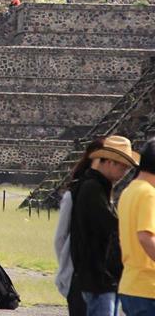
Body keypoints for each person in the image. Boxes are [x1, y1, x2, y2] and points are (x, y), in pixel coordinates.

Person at [72, 135, 139, 315]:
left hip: (102, 277)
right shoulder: (92, 188)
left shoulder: (98, 187)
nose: (124, 172)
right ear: (109, 162)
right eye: (122, 166)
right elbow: (109, 228)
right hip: (98, 278)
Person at [56, 139, 107, 316]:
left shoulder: (107, 195)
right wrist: (66, 272)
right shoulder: (75, 194)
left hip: (104, 278)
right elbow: (61, 238)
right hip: (80, 276)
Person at [118, 140, 155, 316]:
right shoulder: (149, 193)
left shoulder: (129, 191)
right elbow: (145, 237)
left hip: (131, 284)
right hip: (148, 288)